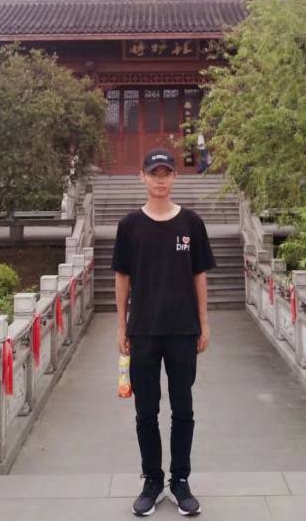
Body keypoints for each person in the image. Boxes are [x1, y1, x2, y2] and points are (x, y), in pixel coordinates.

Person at [112, 148, 217, 517]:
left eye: (166, 173)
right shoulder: (129, 225)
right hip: (143, 331)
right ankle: (152, 481)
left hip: (183, 330)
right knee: (146, 411)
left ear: (174, 177)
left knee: (183, 408)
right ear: (142, 177)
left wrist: (204, 322)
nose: (160, 179)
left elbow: (199, 275)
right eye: (153, 173)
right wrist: (121, 325)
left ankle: (181, 480)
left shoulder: (191, 223)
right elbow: (122, 277)